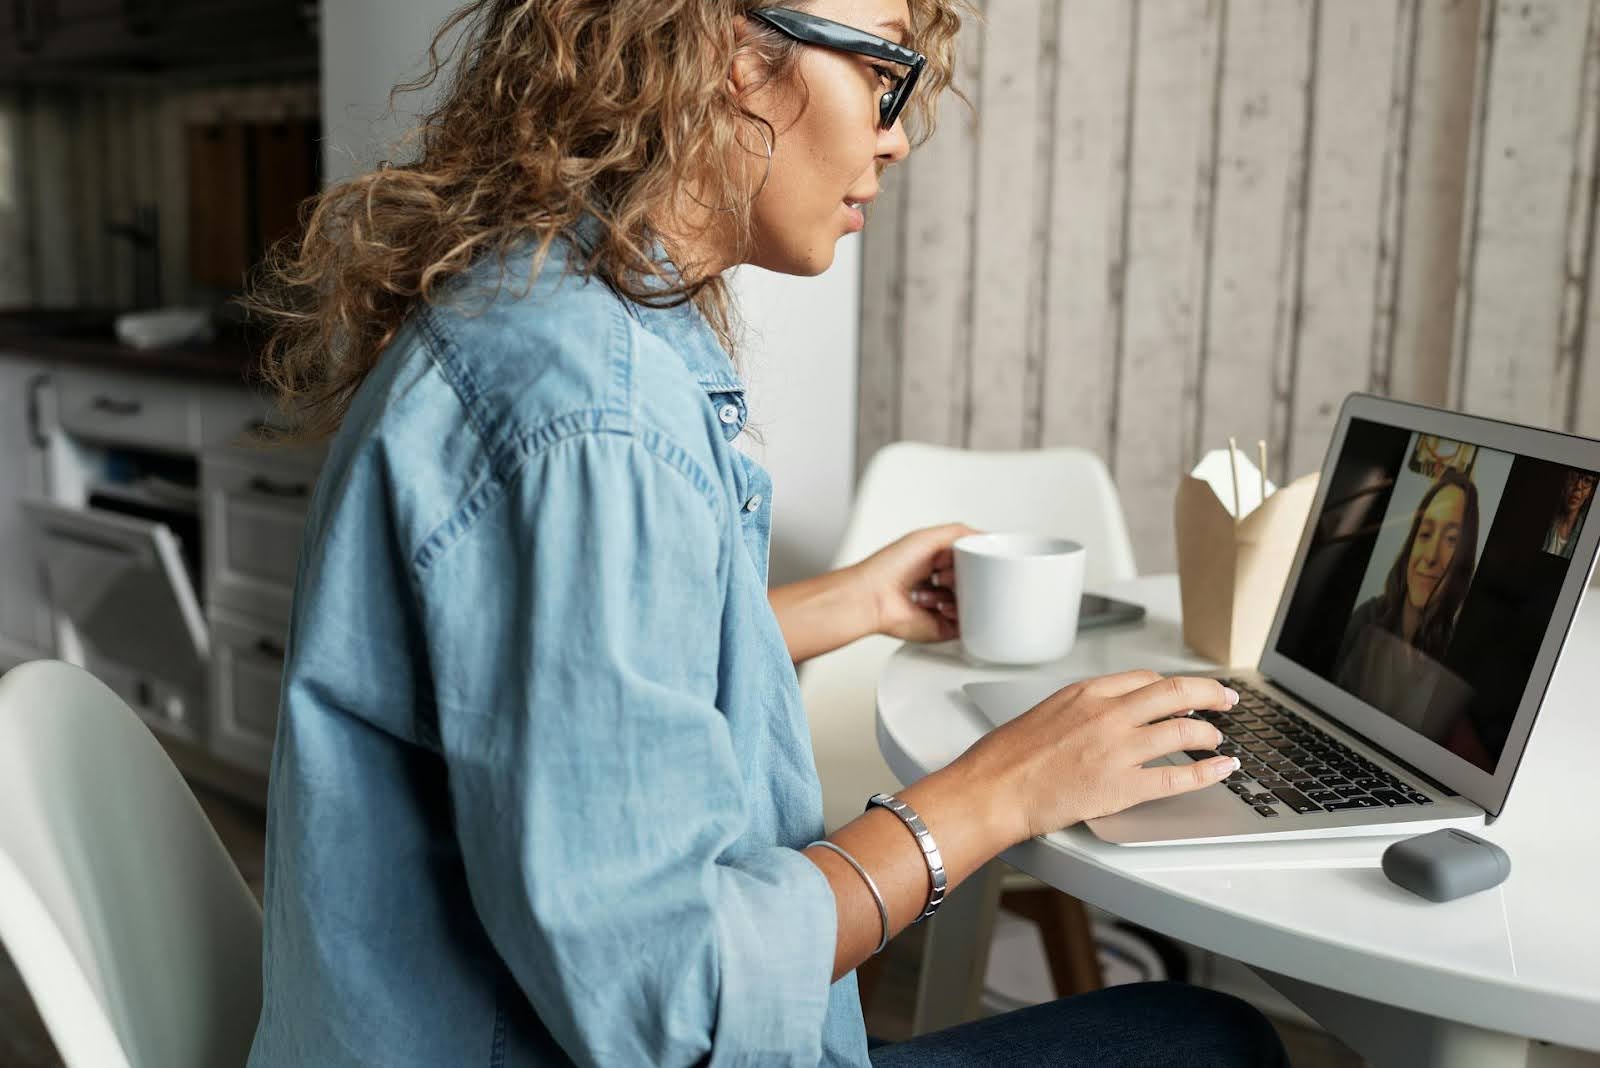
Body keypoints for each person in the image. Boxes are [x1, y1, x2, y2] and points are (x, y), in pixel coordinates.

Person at [244, 3, 1287, 1065]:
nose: (894, 133)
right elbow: (674, 1003)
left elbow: (561, 701)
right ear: (731, 54)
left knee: (1201, 1035)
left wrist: (854, 603)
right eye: (885, 70)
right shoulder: (594, 420)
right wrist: (1000, 792)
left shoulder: (551, 315)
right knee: (1212, 1044)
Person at [1333, 470, 1479, 739]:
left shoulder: (1458, 660)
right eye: (1425, 534)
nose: (1431, 557)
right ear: (1412, 541)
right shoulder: (1367, 619)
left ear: (1464, 558)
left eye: (1451, 540)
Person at [1541, 469, 1596, 559]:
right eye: (1574, 477)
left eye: (1587, 480)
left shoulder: (1588, 536)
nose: (1578, 486)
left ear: (1590, 492)